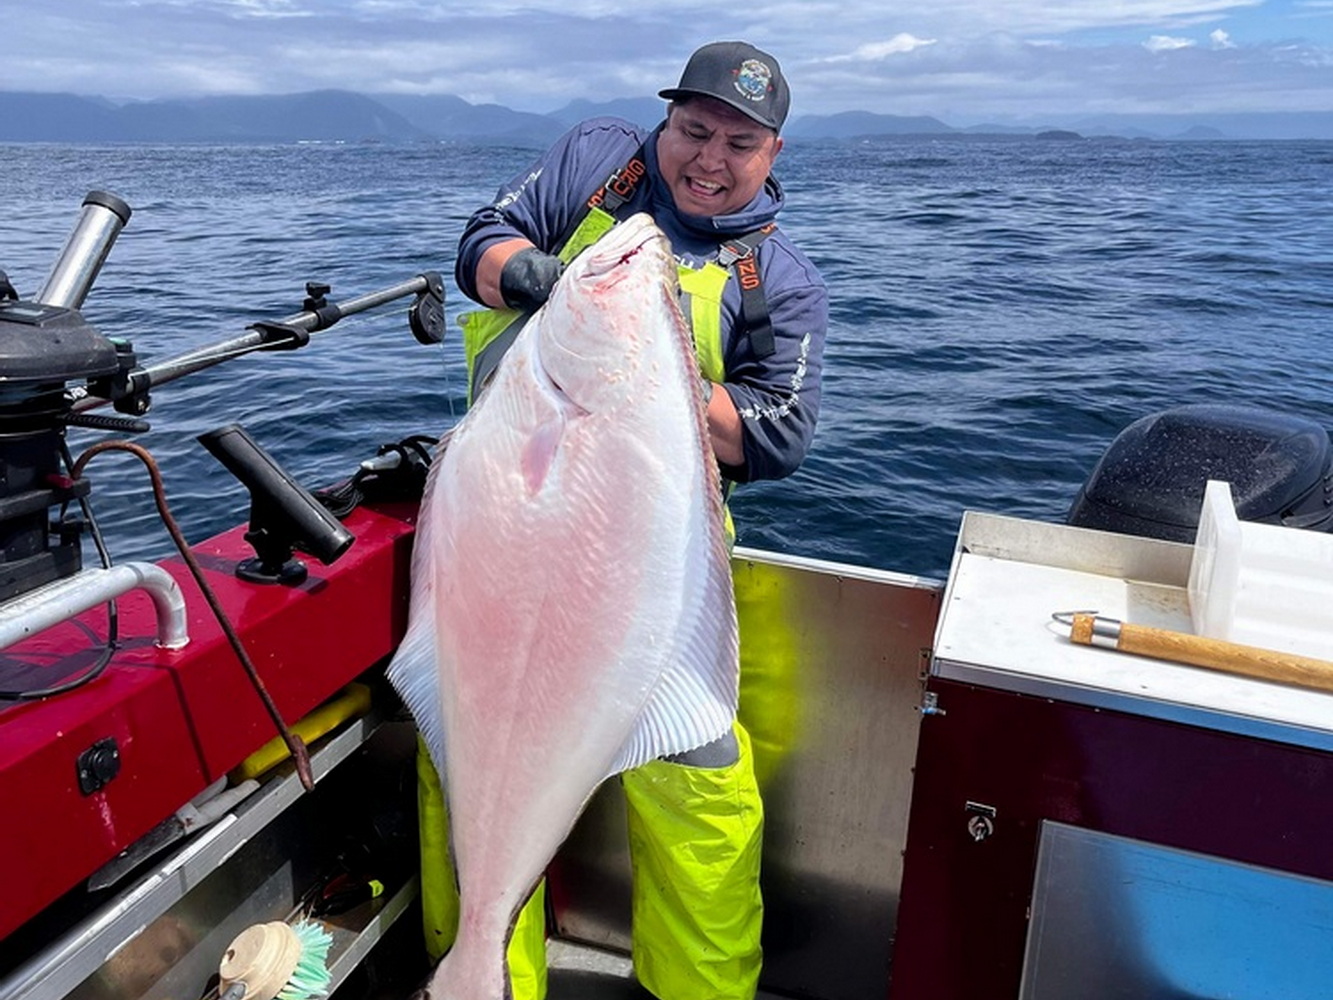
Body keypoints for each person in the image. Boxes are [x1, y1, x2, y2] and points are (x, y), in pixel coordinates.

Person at [421, 40, 829, 1000]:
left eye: (738, 143)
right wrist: (542, 281)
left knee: (701, 777)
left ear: (772, 153)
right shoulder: (598, 160)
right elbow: (482, 243)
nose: (708, 158)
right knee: (469, 759)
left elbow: (779, 435)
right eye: (693, 129)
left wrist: (654, 375)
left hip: (650, 566)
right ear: (665, 119)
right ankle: (480, 969)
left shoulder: (779, 280)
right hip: (501, 533)